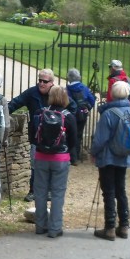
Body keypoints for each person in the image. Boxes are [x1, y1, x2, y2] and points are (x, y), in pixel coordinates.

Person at [8, 68, 77, 202]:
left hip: (57, 138)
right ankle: (33, 191)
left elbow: (73, 108)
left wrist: (65, 125)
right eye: (39, 80)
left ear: (52, 82)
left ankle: (50, 190)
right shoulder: (32, 93)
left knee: (53, 164)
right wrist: (2, 112)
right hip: (38, 137)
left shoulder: (58, 93)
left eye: (45, 81)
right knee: (35, 165)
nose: (41, 83)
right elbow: (15, 103)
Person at [89, 81, 130, 241]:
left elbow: (100, 139)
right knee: (121, 190)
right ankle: (124, 226)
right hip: (124, 157)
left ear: (112, 94)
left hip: (108, 157)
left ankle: (110, 227)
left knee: (109, 191)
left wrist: (93, 152)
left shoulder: (109, 114)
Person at [32, 85, 76, 238]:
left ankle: (40, 225)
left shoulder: (40, 113)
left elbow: (32, 136)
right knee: (57, 194)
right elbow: (74, 140)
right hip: (60, 158)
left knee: (40, 192)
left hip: (41, 157)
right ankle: (55, 228)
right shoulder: (68, 116)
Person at [65, 68, 96, 165]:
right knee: (79, 134)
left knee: (70, 134)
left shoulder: (68, 89)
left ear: (69, 78)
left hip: (72, 115)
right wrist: (87, 108)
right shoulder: (84, 88)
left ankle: (72, 158)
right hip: (83, 114)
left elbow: (66, 102)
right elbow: (92, 100)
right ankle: (77, 156)